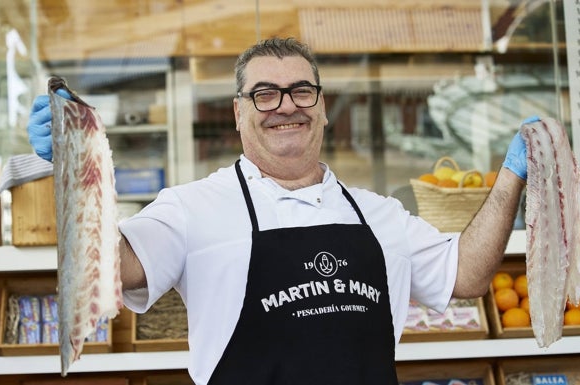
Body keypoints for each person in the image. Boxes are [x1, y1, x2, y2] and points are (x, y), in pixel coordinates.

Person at [27, 37, 528, 385]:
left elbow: (468, 275)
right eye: (264, 94)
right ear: (239, 112)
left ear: (323, 107)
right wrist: (77, 168)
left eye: (301, 91)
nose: (286, 106)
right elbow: (112, 269)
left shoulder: (380, 215)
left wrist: (512, 177)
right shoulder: (191, 207)